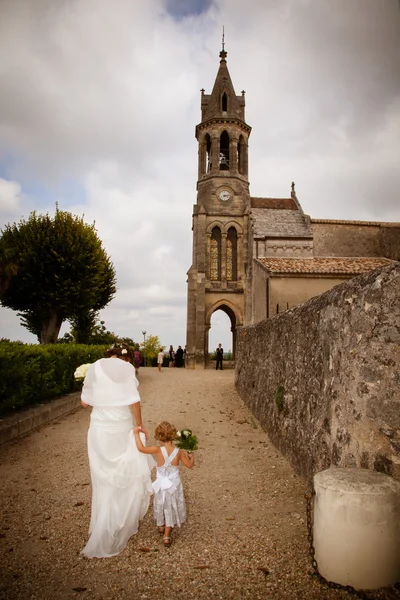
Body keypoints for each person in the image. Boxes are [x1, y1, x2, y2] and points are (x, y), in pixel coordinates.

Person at [80, 343, 153, 559]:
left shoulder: (93, 367)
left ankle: (103, 523)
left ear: (108, 354)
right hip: (121, 427)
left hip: (99, 429)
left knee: (102, 477)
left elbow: (84, 403)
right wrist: (139, 426)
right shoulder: (127, 370)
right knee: (123, 473)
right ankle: (119, 519)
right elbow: (134, 401)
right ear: (126, 357)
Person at [133, 421, 194, 547]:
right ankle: (167, 534)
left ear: (159, 437)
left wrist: (135, 434)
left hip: (161, 485)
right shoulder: (179, 452)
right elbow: (189, 465)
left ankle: (161, 526)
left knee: (161, 503)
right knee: (171, 505)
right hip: (174, 485)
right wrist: (191, 455)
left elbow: (140, 448)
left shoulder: (157, 450)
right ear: (173, 436)